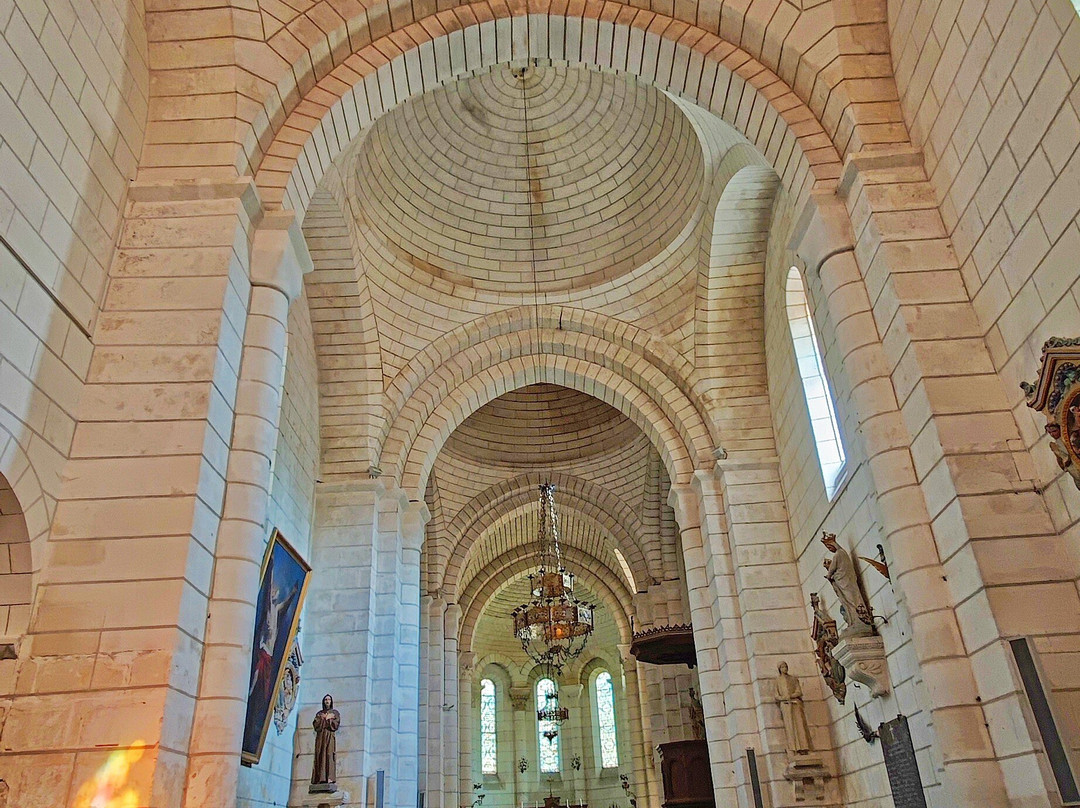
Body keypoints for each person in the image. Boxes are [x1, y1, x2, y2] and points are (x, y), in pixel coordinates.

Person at [820, 533, 873, 636]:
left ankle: (857, 621)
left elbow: (832, 568)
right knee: (852, 600)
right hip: (846, 581)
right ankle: (854, 621)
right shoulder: (843, 553)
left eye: (829, 547)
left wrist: (829, 575)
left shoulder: (838, 554)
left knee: (851, 601)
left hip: (845, 583)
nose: (830, 549)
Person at [773, 662, 812, 755]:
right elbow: (776, 695)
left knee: (800, 725)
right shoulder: (777, 681)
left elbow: (799, 692)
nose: (785, 668)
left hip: (795, 704)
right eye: (782, 667)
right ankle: (793, 748)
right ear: (779, 669)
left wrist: (791, 696)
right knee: (790, 727)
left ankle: (804, 747)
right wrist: (784, 698)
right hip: (786, 705)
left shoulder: (793, 679)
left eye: (786, 666)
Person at [311, 694, 341, 790]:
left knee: (329, 755)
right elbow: (316, 725)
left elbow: (335, 725)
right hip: (321, 738)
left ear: (331, 701)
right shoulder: (319, 714)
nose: (327, 701)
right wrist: (325, 719)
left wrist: (327, 720)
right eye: (325, 700)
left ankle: (329, 778)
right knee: (320, 755)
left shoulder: (335, 713)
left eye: (329, 700)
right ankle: (319, 778)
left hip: (329, 737)